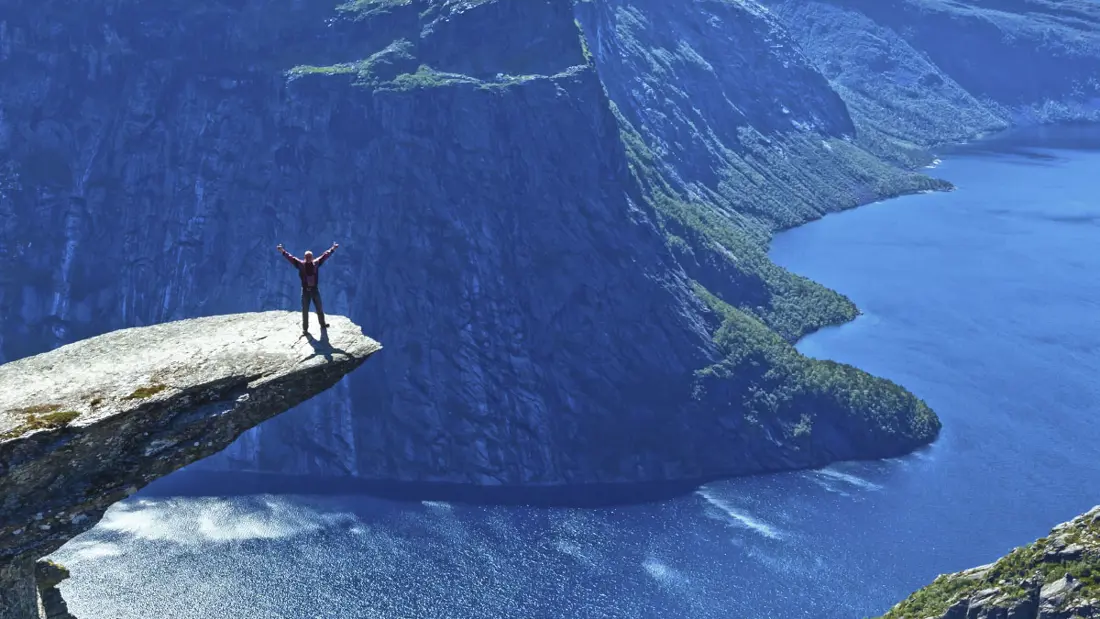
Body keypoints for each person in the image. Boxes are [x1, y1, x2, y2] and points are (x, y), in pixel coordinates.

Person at [277, 242, 339, 334]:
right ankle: (305, 329)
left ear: (312, 257)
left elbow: (325, 256)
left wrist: (333, 249)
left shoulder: (316, 263)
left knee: (319, 308)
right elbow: (290, 258)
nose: (309, 259)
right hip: (306, 291)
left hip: (315, 290)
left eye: (310, 257)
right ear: (305, 258)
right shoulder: (301, 265)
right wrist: (282, 251)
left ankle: (322, 324)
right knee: (305, 310)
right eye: (307, 257)